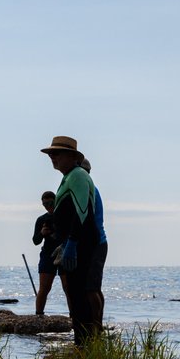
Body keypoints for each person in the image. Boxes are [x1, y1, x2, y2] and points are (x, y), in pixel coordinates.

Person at [40, 136, 102, 345]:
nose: (52, 158)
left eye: (56, 154)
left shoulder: (78, 175)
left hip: (82, 244)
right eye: (50, 154)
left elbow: (82, 213)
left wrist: (72, 243)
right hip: (72, 243)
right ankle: (82, 345)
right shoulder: (68, 176)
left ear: (72, 156)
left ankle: (84, 345)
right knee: (76, 296)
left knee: (79, 296)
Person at [79, 158, 108, 334]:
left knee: (91, 288)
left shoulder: (89, 189)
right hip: (98, 243)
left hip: (96, 243)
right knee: (94, 288)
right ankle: (96, 324)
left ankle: (96, 326)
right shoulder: (91, 188)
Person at [31, 191, 62, 315]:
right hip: (47, 254)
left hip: (63, 252)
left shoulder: (62, 215)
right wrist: (42, 233)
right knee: (44, 288)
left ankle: (73, 316)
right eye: (44, 204)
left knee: (68, 288)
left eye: (50, 203)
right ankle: (39, 314)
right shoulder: (42, 219)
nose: (47, 206)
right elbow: (35, 241)